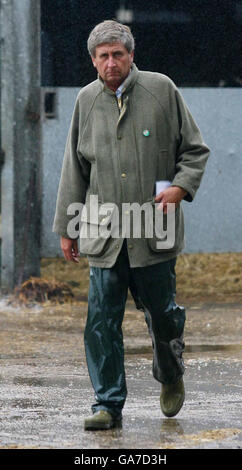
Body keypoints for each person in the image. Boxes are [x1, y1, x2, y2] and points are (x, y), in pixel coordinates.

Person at [53, 20, 209, 430]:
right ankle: (107, 404)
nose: (110, 63)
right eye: (102, 56)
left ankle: (171, 373)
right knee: (101, 321)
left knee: (163, 315)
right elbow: (75, 168)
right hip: (103, 233)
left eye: (117, 54)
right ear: (93, 61)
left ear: (130, 55)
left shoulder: (162, 90)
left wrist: (180, 188)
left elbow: (195, 151)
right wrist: (67, 227)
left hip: (153, 229)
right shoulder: (86, 101)